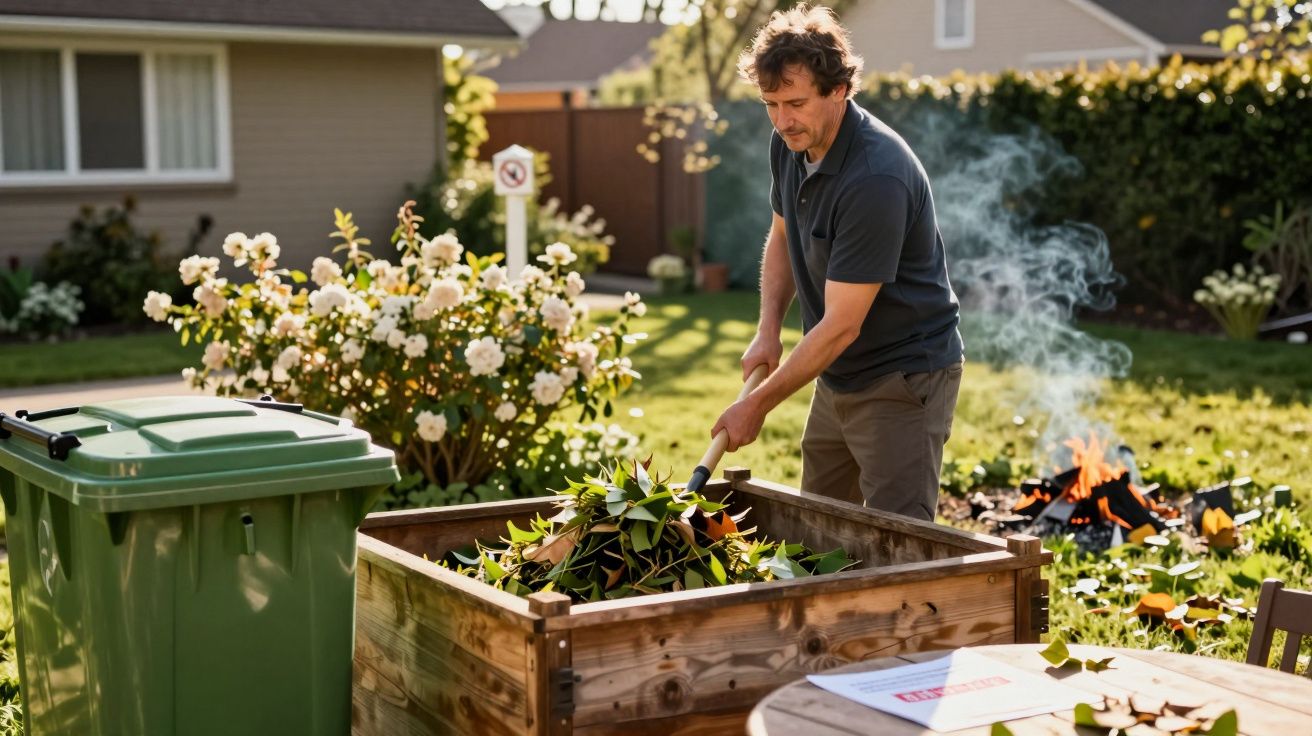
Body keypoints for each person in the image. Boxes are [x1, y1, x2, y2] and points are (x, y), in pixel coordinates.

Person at [709, 5, 964, 521]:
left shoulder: (876, 177)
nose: (783, 119)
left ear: (839, 90)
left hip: (902, 377)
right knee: (819, 533)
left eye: (797, 102)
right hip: (836, 374)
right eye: (771, 103)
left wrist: (755, 404)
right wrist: (767, 331)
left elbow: (843, 325)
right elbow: (782, 234)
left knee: (899, 545)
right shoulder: (790, 143)